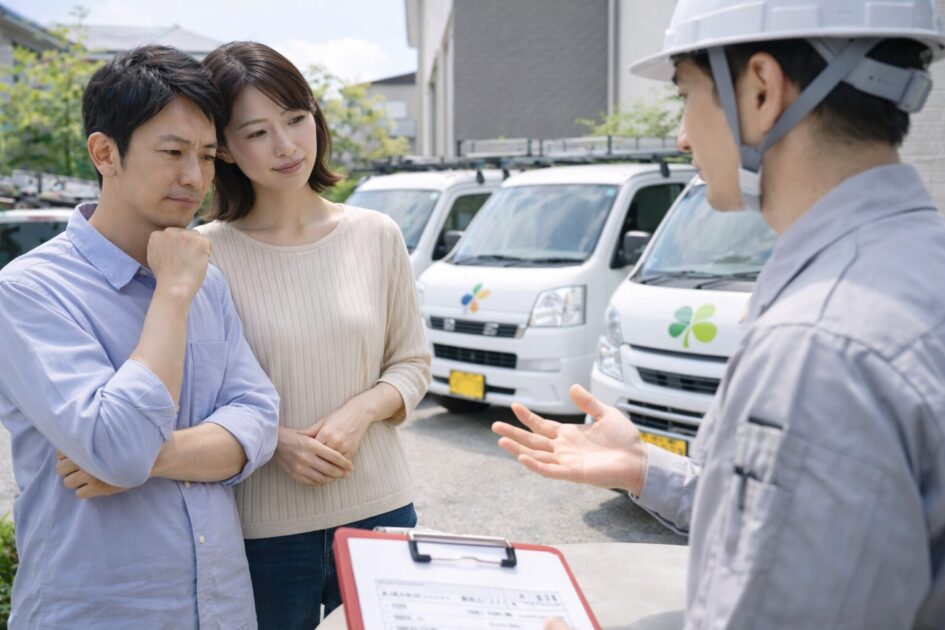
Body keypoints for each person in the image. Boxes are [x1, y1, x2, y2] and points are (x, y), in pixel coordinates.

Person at [494, 1, 945, 627]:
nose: (681, 135)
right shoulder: (911, 266)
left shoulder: (818, 343)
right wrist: (643, 467)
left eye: (687, 95)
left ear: (761, 90)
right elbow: (810, 521)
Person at [0, 46, 280, 628]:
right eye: (173, 152)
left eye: (206, 156)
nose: (195, 178)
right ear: (105, 153)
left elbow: (258, 419)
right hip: (99, 610)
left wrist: (156, 457)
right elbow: (119, 446)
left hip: (222, 607)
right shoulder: (28, 291)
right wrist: (172, 296)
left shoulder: (208, 279)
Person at [198, 42, 431, 628]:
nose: (286, 146)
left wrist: (360, 412)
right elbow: (189, 400)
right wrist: (273, 441)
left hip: (381, 510)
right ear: (223, 145)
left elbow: (412, 363)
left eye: (296, 119)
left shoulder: (376, 234)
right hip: (263, 532)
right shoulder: (205, 254)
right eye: (257, 132)